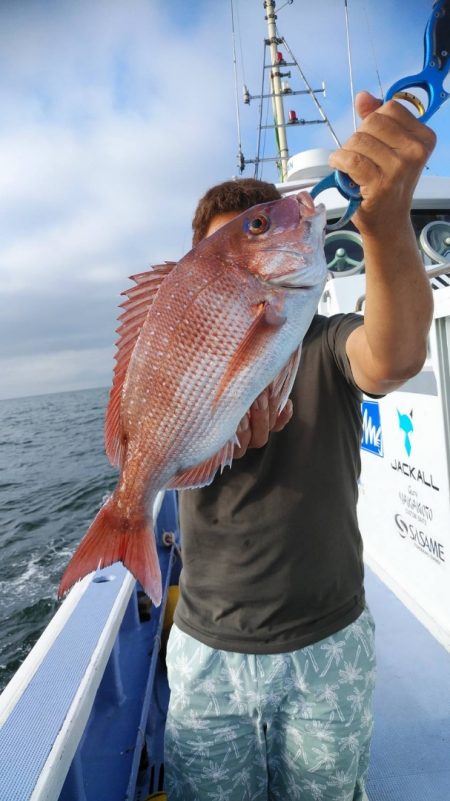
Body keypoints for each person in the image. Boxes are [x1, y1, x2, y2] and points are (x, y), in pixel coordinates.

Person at [164, 91, 435, 801]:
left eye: (261, 234)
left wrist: (385, 223)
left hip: (328, 643)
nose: (252, 273)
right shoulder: (184, 362)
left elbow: (395, 355)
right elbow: (158, 444)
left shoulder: (325, 340)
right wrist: (207, 436)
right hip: (207, 648)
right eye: (230, 251)